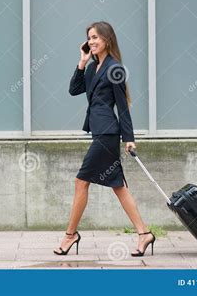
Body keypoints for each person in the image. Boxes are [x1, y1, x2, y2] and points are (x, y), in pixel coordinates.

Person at [53, 21, 155, 257]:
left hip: (108, 133)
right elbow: (73, 89)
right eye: (89, 38)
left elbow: (123, 107)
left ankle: (70, 235)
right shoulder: (91, 68)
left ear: (107, 39)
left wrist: (129, 138)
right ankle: (144, 233)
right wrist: (82, 61)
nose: (92, 41)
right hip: (98, 131)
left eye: (96, 37)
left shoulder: (114, 68)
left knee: (81, 182)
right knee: (118, 187)